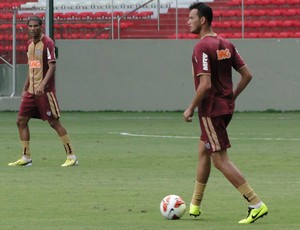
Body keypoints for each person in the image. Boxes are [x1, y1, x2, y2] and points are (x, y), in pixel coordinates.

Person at [183, 3, 268, 224]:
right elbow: (247, 75)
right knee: (204, 149)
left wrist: (190, 107)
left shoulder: (201, 47)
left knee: (220, 160)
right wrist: (232, 96)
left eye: (191, 17)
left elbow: (205, 85)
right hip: (226, 108)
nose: (188, 21)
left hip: (211, 110)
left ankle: (255, 203)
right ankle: (195, 205)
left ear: (203, 20)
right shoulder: (226, 44)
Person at [8, 16, 78, 167]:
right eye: (30, 26)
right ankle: (26, 157)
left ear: (41, 27)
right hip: (31, 92)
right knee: (21, 121)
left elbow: (52, 66)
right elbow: (31, 67)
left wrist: (42, 85)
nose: (32, 29)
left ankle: (72, 156)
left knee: (54, 123)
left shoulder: (48, 43)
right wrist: (25, 87)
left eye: (35, 26)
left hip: (45, 92)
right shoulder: (29, 45)